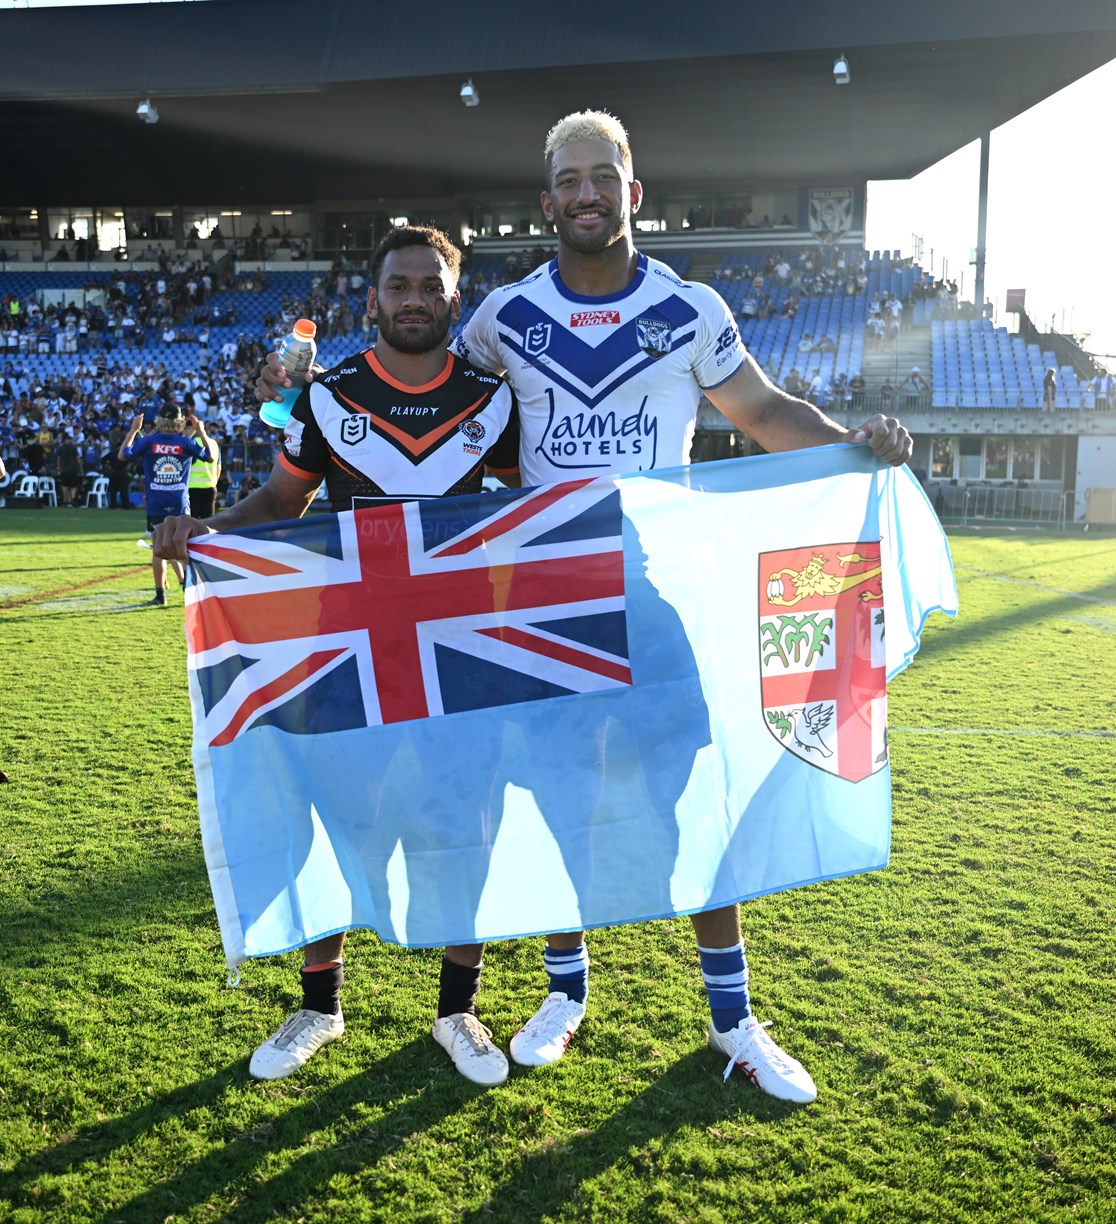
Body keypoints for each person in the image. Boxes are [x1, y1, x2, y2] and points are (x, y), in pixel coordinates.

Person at [252, 112, 911, 1103]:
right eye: (569, 180)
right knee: (557, 797)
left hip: (649, 586)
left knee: (691, 801)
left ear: (631, 192)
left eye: (603, 176)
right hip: (537, 599)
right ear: (548, 200)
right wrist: (296, 393)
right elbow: (410, 376)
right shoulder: (503, 316)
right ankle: (564, 991)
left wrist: (852, 445)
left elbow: (765, 412)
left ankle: (732, 1018)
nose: (586, 194)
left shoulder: (688, 309)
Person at [153, 225, 521, 1088]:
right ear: (372, 299)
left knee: (465, 821)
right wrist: (207, 531)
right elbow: (282, 500)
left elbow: (536, 510)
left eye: (431, 286)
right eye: (399, 285)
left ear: (454, 299)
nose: (415, 299)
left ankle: (458, 1010)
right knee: (335, 817)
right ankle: (320, 1005)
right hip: (349, 643)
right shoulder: (329, 396)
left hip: (460, 646)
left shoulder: (496, 400)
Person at [120, 407, 216, 605]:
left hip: (156, 504)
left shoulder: (149, 441)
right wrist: (201, 432)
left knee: (158, 549)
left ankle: (160, 595)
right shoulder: (185, 442)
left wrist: (134, 429)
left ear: (159, 421)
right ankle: (193, 592)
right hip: (180, 503)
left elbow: (123, 455)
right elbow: (210, 456)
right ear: (180, 422)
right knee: (185, 548)